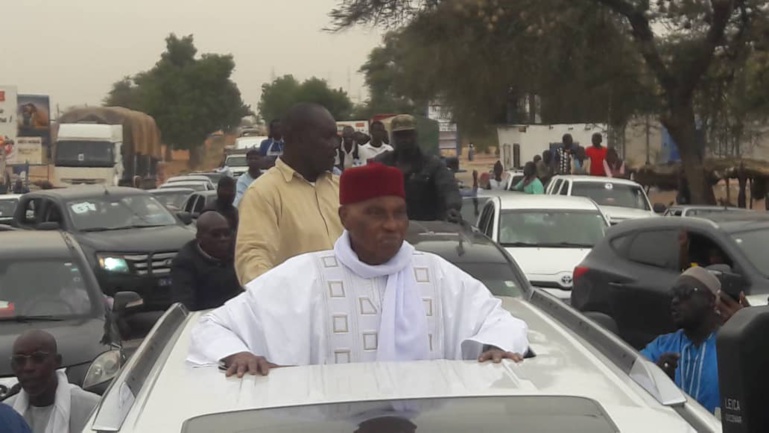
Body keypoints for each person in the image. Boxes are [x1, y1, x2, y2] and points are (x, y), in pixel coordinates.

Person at [187, 163, 529, 376]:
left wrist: (495, 345)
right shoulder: (303, 277)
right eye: (376, 213)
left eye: (399, 213)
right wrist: (239, 353)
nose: (392, 225)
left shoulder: (437, 275)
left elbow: (499, 320)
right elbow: (213, 326)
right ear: (345, 218)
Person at [235, 103, 344, 285]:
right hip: (299, 309)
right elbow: (252, 264)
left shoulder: (341, 188)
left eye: (336, 137)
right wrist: (286, 302)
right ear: (298, 139)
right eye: (327, 137)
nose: (335, 145)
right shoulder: (263, 194)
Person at [640, 267, 722, 413]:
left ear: (710, 300)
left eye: (685, 293)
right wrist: (657, 380)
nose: (675, 301)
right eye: (673, 294)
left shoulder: (729, 347)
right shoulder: (661, 346)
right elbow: (633, 380)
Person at [5, 330, 100, 433]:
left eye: (38, 358)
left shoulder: (92, 408)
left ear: (57, 362)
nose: (28, 367)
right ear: (13, 367)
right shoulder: (6, 414)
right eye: (20, 360)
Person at [374, 115, 462, 223]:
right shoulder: (381, 163)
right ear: (393, 137)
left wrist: (452, 207)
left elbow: (449, 188)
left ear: (416, 136)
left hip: (427, 230)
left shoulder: (432, 164)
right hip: (389, 226)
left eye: (408, 135)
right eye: (400, 135)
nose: (404, 140)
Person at [171, 211, 242, 311]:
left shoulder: (237, 253)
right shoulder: (185, 262)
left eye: (227, 234)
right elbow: (185, 305)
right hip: (204, 318)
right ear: (199, 237)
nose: (223, 239)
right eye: (215, 235)